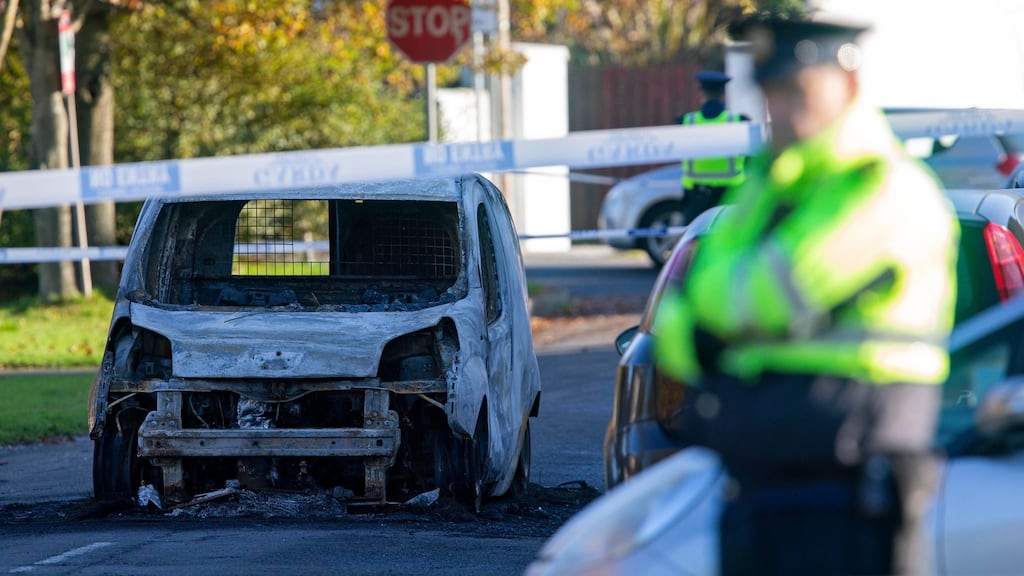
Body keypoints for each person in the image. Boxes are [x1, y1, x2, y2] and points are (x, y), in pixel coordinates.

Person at [654, 14, 959, 576]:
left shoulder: (885, 187)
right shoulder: (768, 186)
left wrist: (708, 320)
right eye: (772, 92)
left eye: (799, 90)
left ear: (850, 85)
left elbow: (764, 296)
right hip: (756, 485)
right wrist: (710, 317)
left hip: (849, 494)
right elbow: (679, 319)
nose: (784, 110)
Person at [678, 70, 748, 224]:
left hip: (697, 198)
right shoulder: (738, 121)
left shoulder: (686, 122)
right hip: (730, 197)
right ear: (723, 93)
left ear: (702, 92)